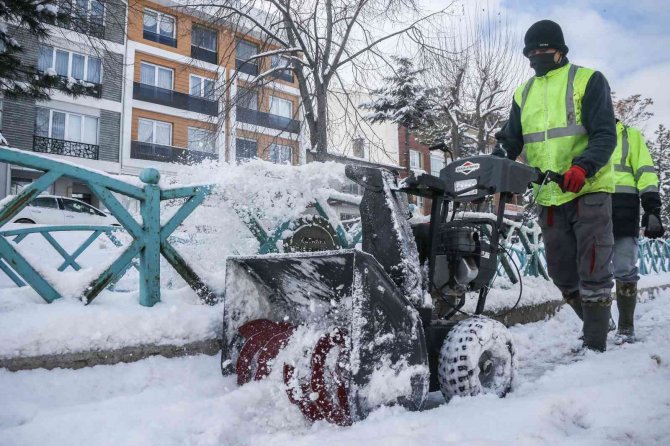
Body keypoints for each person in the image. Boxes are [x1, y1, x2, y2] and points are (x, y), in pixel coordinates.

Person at [497, 20, 617, 351]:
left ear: (560, 51)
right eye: (531, 52)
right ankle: (598, 321)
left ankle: (595, 344)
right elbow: (512, 139)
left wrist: (584, 165)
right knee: (562, 273)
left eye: (543, 50)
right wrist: (497, 160)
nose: (537, 56)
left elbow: (605, 133)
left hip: (587, 188)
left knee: (592, 266)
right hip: (548, 195)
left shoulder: (587, 80)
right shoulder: (523, 92)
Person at [610, 120, 664, 344]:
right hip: (590, 208)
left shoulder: (630, 136)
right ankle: (598, 322)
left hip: (624, 209)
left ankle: (625, 327)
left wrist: (652, 208)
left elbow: (645, 171)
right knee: (591, 272)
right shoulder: (582, 136)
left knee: (624, 269)